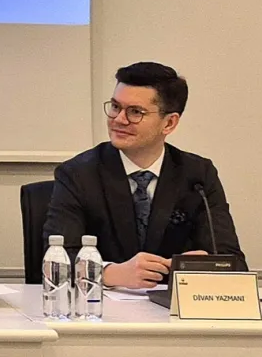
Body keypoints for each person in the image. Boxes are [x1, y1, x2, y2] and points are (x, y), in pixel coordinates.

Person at [43, 62, 245, 289]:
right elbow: (56, 258)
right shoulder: (79, 173)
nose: (119, 119)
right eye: (115, 107)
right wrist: (110, 273)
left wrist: (206, 266)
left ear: (169, 123)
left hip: (172, 305)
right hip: (100, 305)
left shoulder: (198, 175)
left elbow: (232, 260)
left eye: (135, 112)